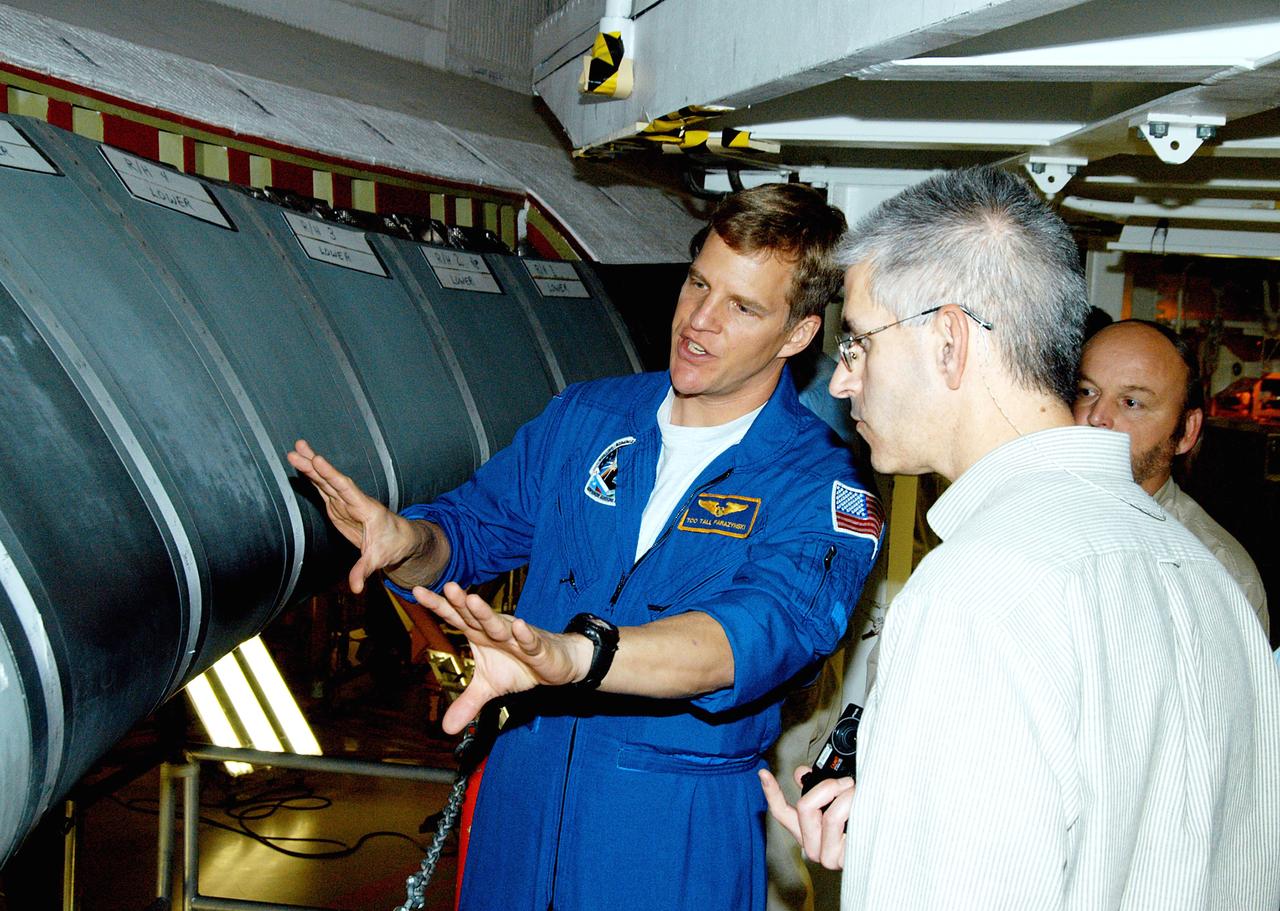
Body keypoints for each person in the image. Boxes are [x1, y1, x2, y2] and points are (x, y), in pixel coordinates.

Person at [287, 183, 881, 911]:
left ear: (797, 335)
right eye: (699, 283)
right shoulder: (588, 418)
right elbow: (468, 534)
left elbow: (754, 635)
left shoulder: (821, 484)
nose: (698, 321)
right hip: (519, 802)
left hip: (672, 834)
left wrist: (578, 655)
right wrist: (406, 539)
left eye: (743, 307)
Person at [761, 166, 1280, 910]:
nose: (843, 382)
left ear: (948, 339)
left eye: (859, 343)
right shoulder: (1204, 574)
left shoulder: (975, 595)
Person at [1075, 319, 1269, 637]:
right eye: (1087, 391)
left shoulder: (1214, 574)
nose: (1096, 416)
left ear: (1186, 432)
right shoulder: (1029, 512)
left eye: (1132, 402)